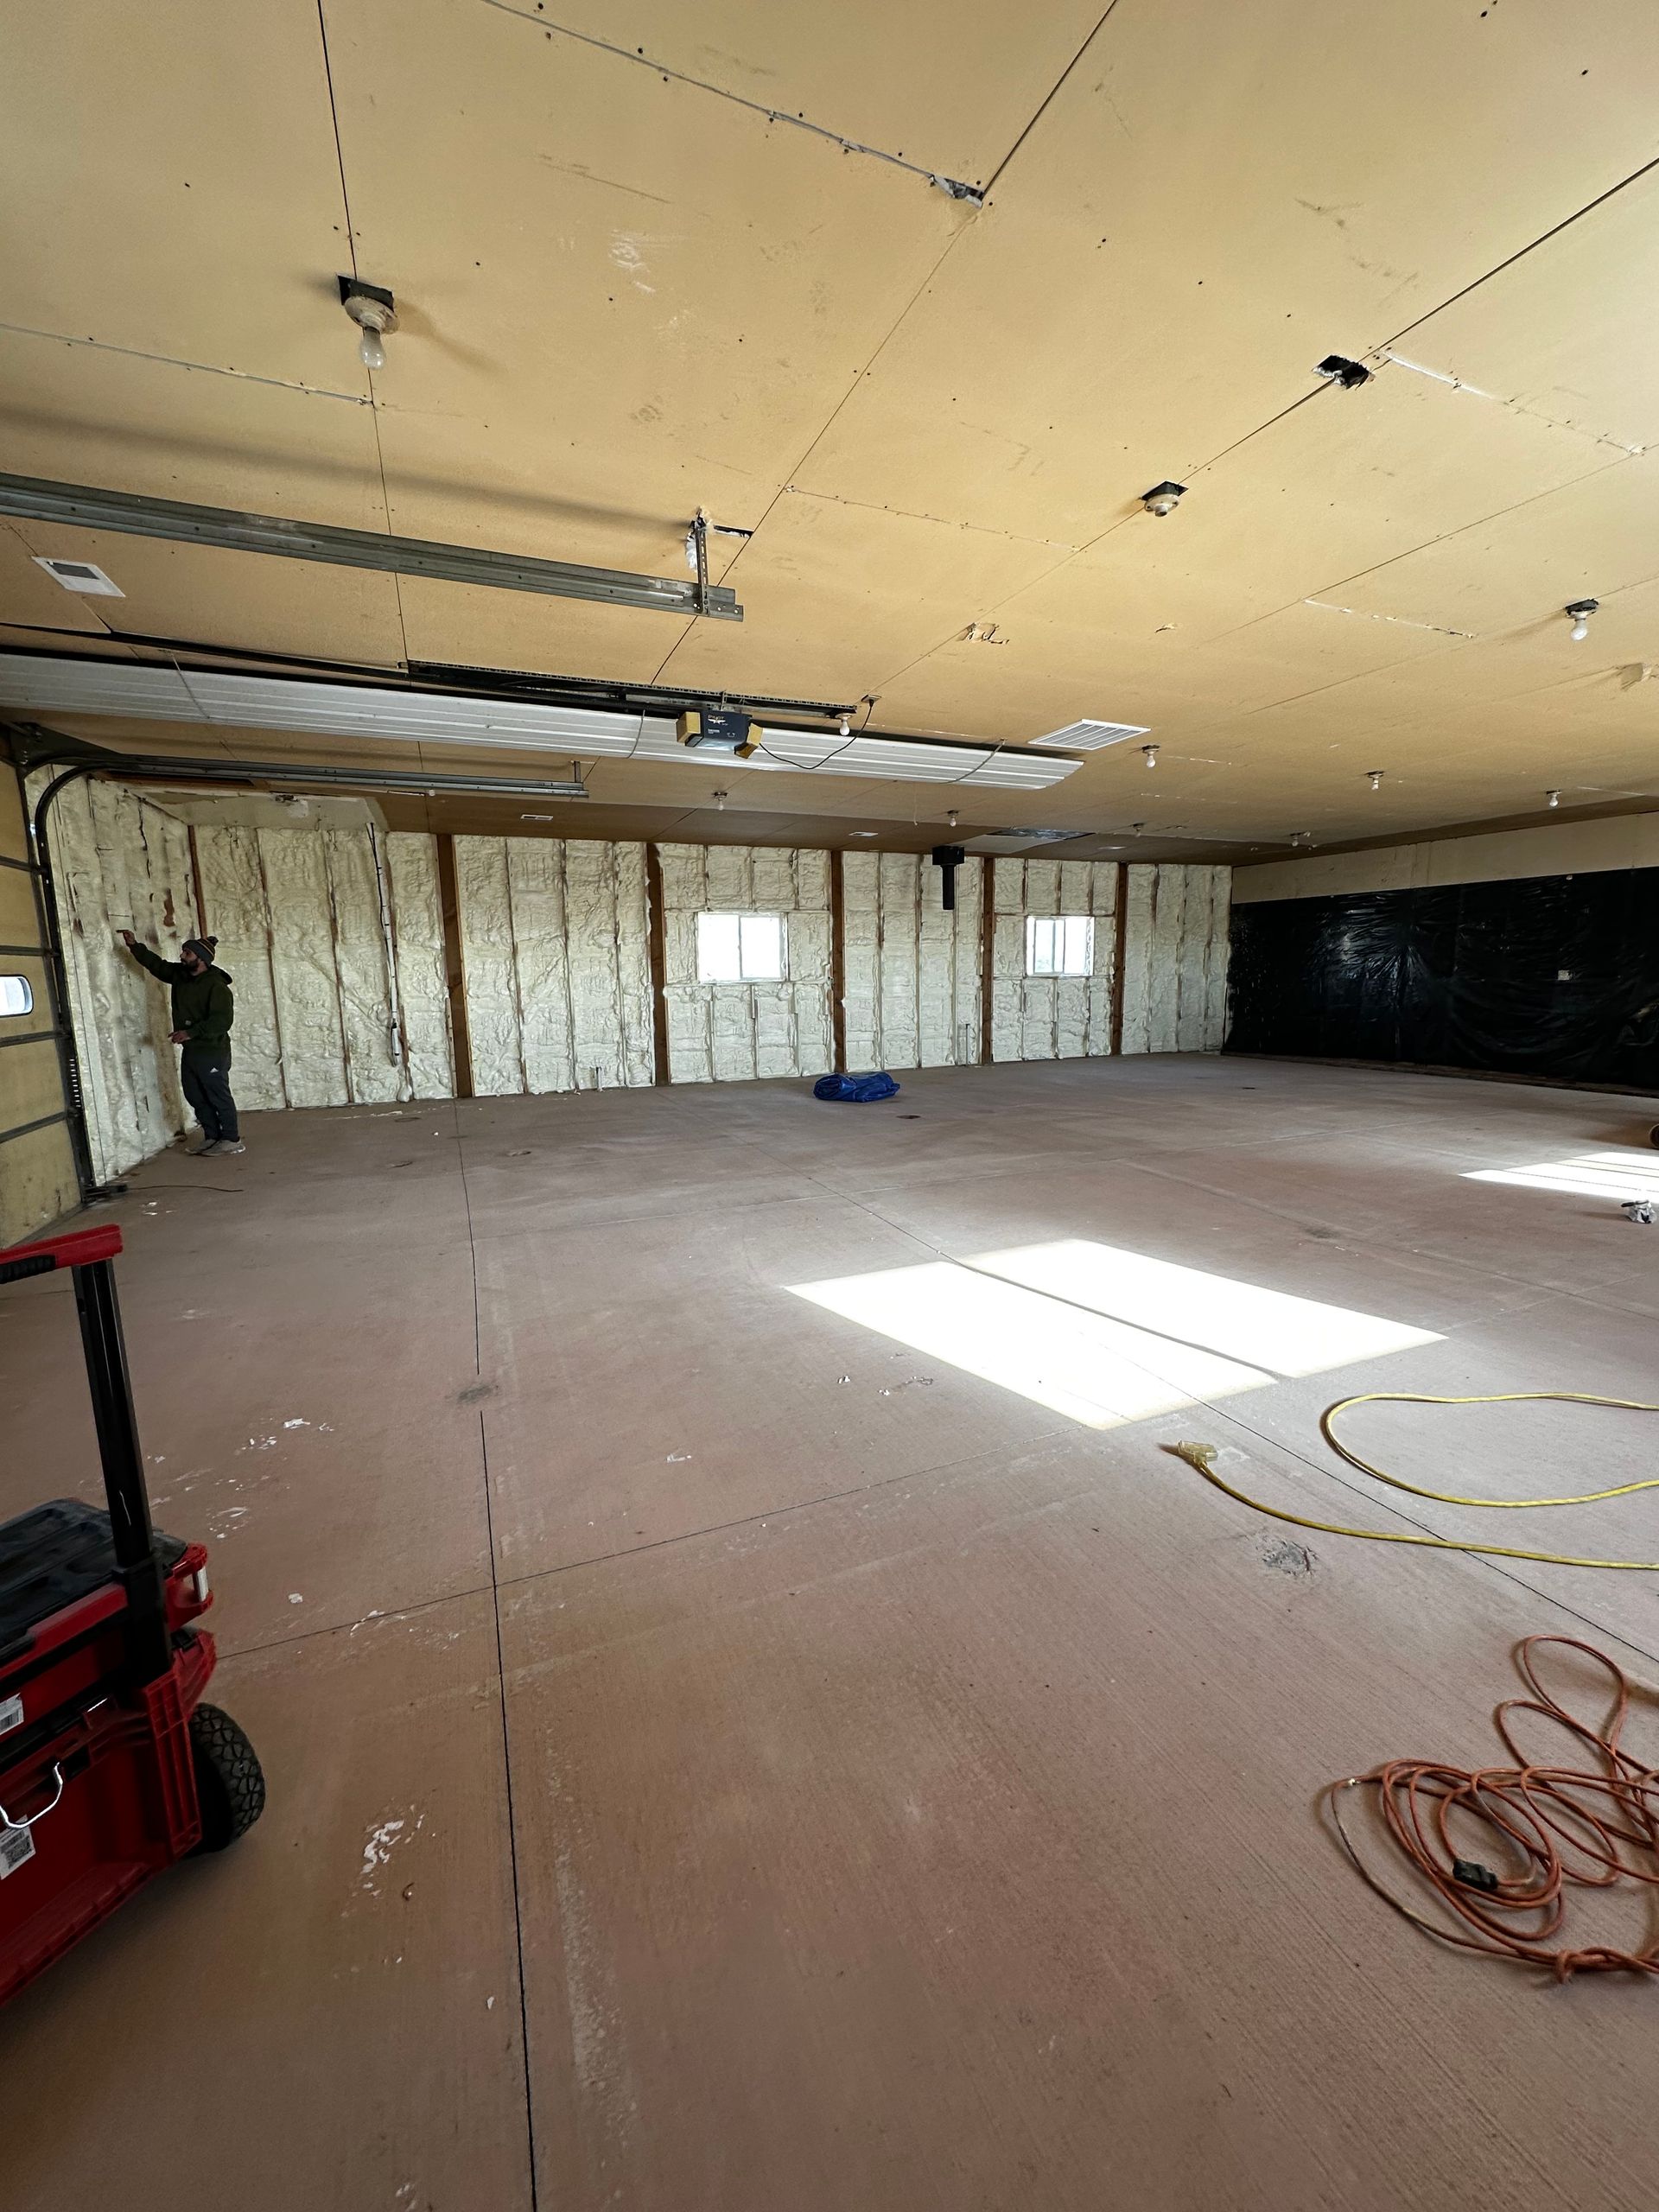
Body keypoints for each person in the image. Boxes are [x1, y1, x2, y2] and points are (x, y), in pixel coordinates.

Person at [118, 930, 244, 1156]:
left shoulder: (216, 986)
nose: (182, 955)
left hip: (212, 1049)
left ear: (202, 959)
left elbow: (222, 1021)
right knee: (195, 1094)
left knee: (217, 1094)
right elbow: (157, 966)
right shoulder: (181, 975)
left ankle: (231, 1139)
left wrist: (191, 1032)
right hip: (192, 1050)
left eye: (187, 953)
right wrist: (135, 946)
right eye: (184, 951)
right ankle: (212, 1136)